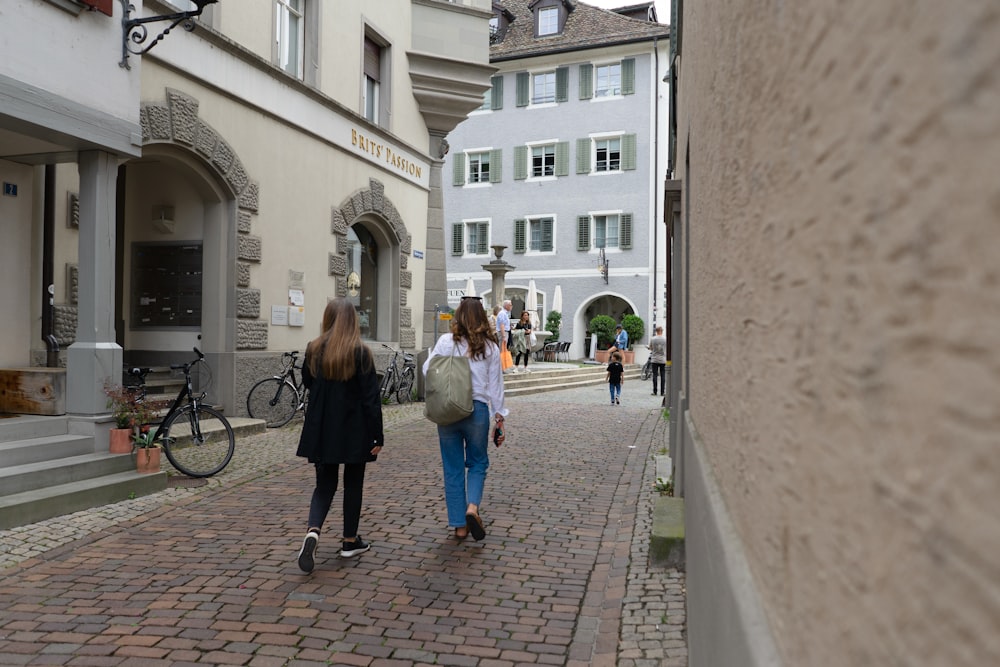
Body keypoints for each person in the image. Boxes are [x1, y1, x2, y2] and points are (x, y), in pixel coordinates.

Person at [295, 298, 384, 573]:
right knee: (353, 484)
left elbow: (308, 383)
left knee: (324, 485)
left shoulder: (314, 349)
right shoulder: (361, 353)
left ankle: (313, 531)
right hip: (354, 429)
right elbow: (371, 400)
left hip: (322, 429)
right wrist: (377, 437)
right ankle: (349, 541)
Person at [423, 296, 508, 541]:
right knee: (478, 463)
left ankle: (460, 526)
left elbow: (427, 369)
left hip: (448, 409)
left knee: (452, 467)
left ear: (458, 317)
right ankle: (472, 507)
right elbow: (496, 386)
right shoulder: (489, 347)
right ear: (482, 318)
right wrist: (499, 417)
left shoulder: (445, 341)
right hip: (477, 411)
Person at [649, 325, 667, 396]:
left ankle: (655, 391)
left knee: (655, 375)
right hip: (663, 359)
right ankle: (662, 392)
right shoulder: (665, 339)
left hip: (654, 359)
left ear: (656, 331)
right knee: (663, 375)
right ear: (662, 331)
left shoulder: (653, 339)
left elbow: (651, 348)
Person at [496, 299, 513, 373]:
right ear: (506, 305)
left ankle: (504, 367)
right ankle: (502, 368)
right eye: (510, 305)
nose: (511, 306)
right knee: (502, 350)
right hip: (503, 332)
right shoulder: (502, 313)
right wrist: (503, 336)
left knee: (504, 350)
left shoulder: (505, 313)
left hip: (506, 332)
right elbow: (501, 325)